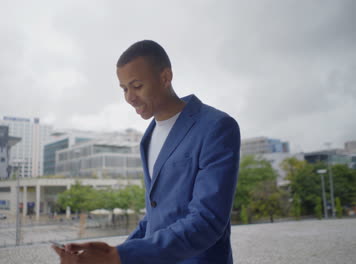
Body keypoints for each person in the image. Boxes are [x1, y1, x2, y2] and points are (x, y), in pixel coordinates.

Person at [52, 40, 241, 264]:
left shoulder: (216, 127)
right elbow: (156, 217)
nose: (129, 97)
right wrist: (111, 254)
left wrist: (118, 257)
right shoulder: (148, 137)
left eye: (137, 86)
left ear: (165, 77)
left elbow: (207, 221)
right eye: (124, 89)